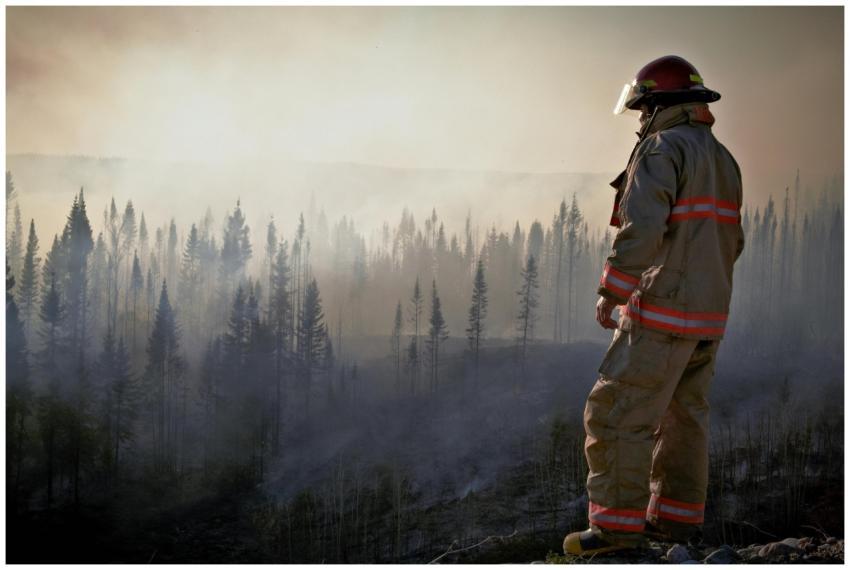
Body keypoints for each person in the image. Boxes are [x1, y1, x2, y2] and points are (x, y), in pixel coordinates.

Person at [563, 55, 745, 556]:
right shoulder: (722, 158)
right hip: (708, 318)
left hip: (664, 312)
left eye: (644, 109)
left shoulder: (662, 149)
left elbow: (643, 229)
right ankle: (674, 525)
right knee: (684, 418)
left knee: (615, 411)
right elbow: (735, 241)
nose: (640, 120)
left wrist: (612, 291)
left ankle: (616, 533)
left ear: (660, 105)